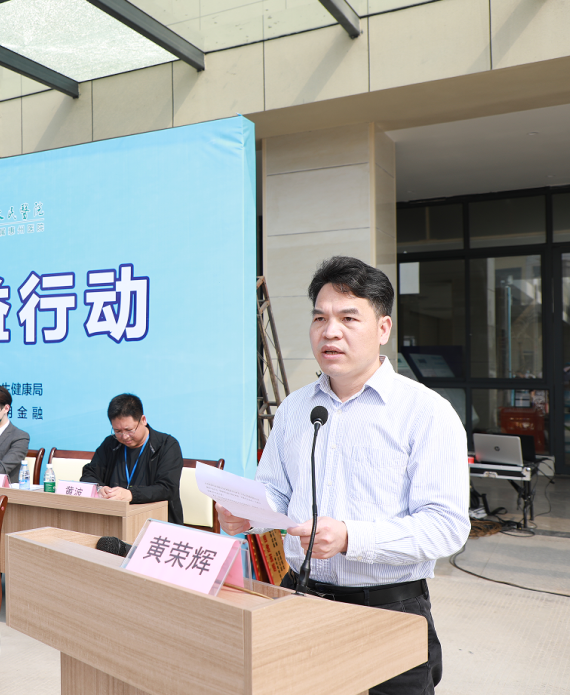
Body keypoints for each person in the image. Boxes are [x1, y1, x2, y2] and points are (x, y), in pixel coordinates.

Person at [217, 256, 469, 695]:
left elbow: (446, 527)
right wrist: (249, 514)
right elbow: (277, 490)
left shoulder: (426, 412)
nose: (329, 331)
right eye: (320, 318)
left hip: (388, 609)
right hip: (299, 598)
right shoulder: (296, 408)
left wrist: (351, 537)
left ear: (383, 328)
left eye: (348, 318)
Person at [79, 394, 184, 524]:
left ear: (143, 420)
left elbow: (167, 488)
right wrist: (99, 488)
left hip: (157, 521)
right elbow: (88, 474)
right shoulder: (111, 444)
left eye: (129, 430)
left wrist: (131, 494)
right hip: (114, 519)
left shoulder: (166, 445)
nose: (124, 437)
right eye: (117, 431)